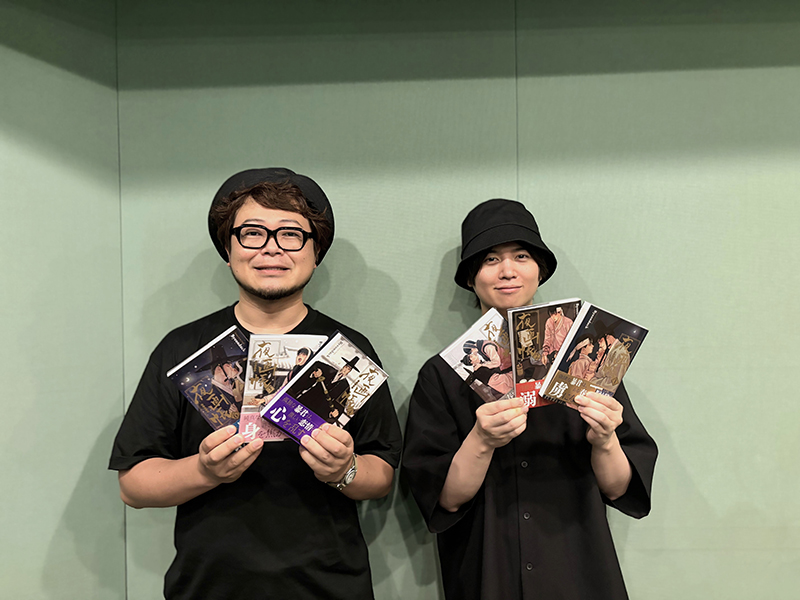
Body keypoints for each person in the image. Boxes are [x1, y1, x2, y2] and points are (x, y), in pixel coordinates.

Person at [109, 168, 402, 600]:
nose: (271, 248)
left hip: (330, 586)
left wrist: (345, 470)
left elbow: (382, 475)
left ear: (315, 252)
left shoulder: (348, 350)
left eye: (291, 234)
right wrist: (204, 471)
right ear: (228, 250)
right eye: (251, 233)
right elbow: (133, 484)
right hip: (207, 588)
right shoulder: (182, 350)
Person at [402, 198, 657, 600]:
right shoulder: (443, 375)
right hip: (487, 571)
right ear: (470, 277)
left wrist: (605, 440)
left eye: (521, 256)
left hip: (579, 569)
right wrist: (481, 440)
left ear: (540, 270)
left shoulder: (586, 360)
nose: (507, 271)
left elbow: (619, 489)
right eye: (490, 259)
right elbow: (444, 499)